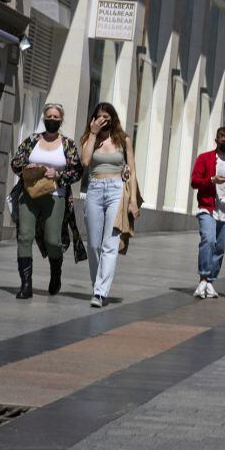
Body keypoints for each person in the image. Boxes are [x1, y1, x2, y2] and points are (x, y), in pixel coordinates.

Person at [9, 103, 85, 299]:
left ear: (61, 120)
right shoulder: (32, 140)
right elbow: (15, 162)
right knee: (25, 236)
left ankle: (56, 273)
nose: (51, 120)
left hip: (55, 196)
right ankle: (26, 285)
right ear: (43, 118)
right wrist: (28, 166)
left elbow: (77, 171)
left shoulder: (67, 144)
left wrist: (58, 174)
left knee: (53, 240)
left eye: (55, 117)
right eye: (48, 116)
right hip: (29, 195)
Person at [79, 103, 139, 308]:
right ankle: (97, 284)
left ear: (113, 118)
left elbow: (132, 170)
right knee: (94, 244)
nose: (103, 120)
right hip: (94, 188)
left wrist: (133, 202)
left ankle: (100, 292)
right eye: (99, 117)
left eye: (107, 116)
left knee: (110, 243)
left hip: (117, 190)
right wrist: (94, 133)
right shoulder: (90, 139)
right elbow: (85, 162)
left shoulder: (123, 140)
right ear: (94, 119)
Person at [189, 127, 225, 299]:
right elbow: (194, 181)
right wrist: (210, 181)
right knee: (208, 240)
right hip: (207, 208)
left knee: (220, 247)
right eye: (224, 142)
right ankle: (203, 277)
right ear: (217, 141)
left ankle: (210, 282)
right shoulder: (204, 159)